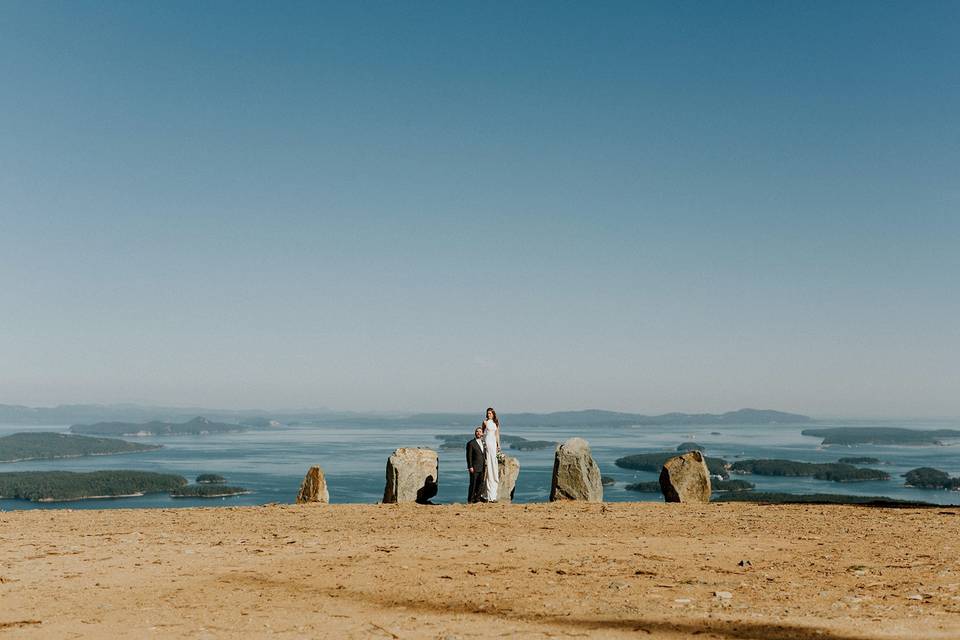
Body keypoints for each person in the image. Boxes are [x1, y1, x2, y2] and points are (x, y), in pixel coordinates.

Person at [481, 407, 501, 502]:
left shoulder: (496, 422)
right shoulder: (485, 422)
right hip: (488, 443)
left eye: (490, 413)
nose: (489, 414)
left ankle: (493, 493)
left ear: (493, 414)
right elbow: (482, 433)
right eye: (488, 413)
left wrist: (498, 445)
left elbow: (497, 435)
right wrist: (483, 443)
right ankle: (489, 495)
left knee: (494, 466)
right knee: (489, 467)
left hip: (493, 443)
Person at [465, 426, 486, 503]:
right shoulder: (471, 443)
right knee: (473, 484)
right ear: (475, 433)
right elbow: (468, 456)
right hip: (474, 467)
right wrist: (470, 466)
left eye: (480, 431)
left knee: (480, 484)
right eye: (477, 431)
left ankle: (477, 499)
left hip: (482, 467)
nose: (478, 433)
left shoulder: (484, 443)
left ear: (482, 433)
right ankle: (470, 500)